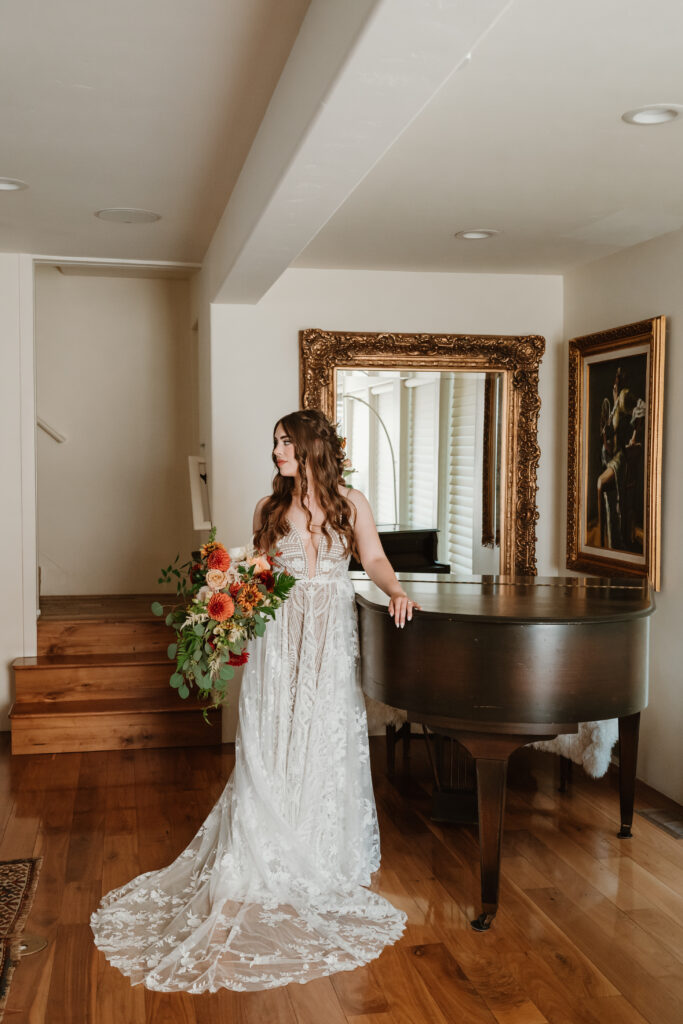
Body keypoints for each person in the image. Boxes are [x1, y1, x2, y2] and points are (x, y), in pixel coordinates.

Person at [90, 408, 420, 993]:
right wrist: (227, 604)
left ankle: (317, 846)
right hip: (279, 642)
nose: (276, 452)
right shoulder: (271, 510)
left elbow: (372, 558)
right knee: (275, 730)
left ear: (311, 447)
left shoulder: (352, 503)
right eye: (274, 444)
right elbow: (260, 577)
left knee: (323, 731)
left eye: (284, 443)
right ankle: (262, 844)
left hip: (329, 637)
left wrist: (396, 590)